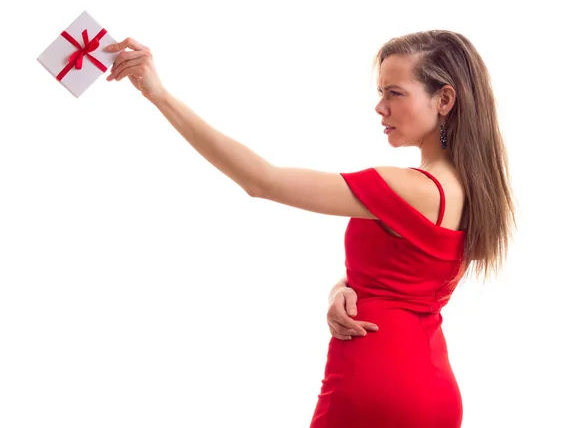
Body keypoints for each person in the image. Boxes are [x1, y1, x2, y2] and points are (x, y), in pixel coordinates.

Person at [104, 29, 515, 428]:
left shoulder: (407, 188)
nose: (380, 108)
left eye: (395, 92)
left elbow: (262, 180)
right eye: (379, 93)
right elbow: (406, 277)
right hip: (432, 388)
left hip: (375, 387)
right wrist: (343, 289)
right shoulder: (470, 189)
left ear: (444, 99)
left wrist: (158, 94)